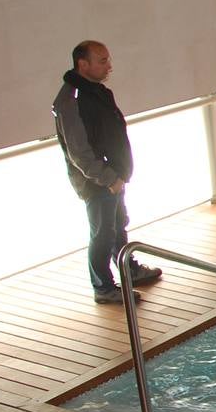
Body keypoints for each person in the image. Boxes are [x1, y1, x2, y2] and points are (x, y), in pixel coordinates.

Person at [52, 41, 163, 304]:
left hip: (114, 176)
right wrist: (108, 178)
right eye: (102, 61)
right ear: (83, 64)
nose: (109, 66)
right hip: (98, 181)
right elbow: (79, 152)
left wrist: (119, 175)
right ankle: (103, 287)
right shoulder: (71, 101)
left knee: (117, 226)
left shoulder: (96, 92)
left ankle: (127, 269)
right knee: (102, 234)